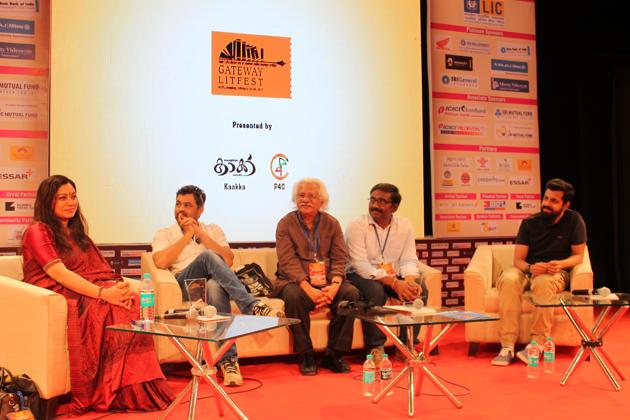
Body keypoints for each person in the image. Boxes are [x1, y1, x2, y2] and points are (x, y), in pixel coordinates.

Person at [21, 175, 174, 414]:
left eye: (73, 196)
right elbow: (59, 273)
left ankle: (133, 388)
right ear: (47, 201)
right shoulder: (37, 231)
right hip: (56, 292)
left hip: (85, 288)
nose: (70, 202)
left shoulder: (77, 233)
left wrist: (117, 288)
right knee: (108, 308)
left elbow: (98, 270)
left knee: (132, 303)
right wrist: (104, 294)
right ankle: (110, 390)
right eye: (62, 197)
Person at [152, 185, 283, 386]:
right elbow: (161, 262)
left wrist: (200, 234)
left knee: (215, 285)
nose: (181, 209)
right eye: (178, 204)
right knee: (207, 256)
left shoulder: (213, 230)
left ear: (200, 210)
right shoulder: (165, 233)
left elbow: (228, 261)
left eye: (187, 205)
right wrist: (187, 235)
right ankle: (252, 306)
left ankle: (228, 362)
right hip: (185, 283)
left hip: (212, 283)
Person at [491, 178, 587, 366]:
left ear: (565, 205)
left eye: (554, 201)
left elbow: (578, 256)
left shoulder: (574, 220)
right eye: (546, 198)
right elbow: (518, 260)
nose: (547, 204)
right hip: (529, 269)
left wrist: (560, 264)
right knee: (509, 279)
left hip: (555, 272)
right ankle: (507, 346)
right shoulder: (529, 223)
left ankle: (536, 344)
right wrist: (529, 268)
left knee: (543, 281)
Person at [274, 178, 360, 375]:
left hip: (328, 282)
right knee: (293, 296)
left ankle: (334, 354)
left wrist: (335, 285)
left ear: (322, 201)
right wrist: (308, 288)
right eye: (301, 195)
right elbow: (287, 262)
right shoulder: (285, 223)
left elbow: (340, 257)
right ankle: (306, 354)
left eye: (311, 196)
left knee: (351, 294)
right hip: (295, 282)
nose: (305, 200)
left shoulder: (332, 223)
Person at [345, 183, 428, 366]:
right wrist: (393, 283)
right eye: (373, 200)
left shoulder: (404, 225)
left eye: (381, 201)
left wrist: (408, 281)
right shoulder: (357, 225)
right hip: (360, 275)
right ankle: (376, 347)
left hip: (391, 274)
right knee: (376, 291)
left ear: (394, 207)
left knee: (419, 289)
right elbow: (360, 265)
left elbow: (408, 258)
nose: (375, 205)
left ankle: (406, 345)